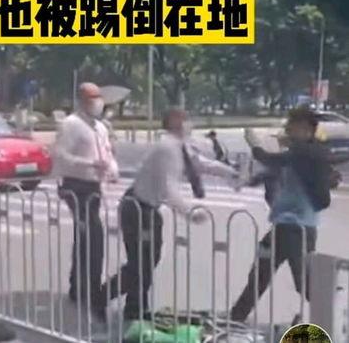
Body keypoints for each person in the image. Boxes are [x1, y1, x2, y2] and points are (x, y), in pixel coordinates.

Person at [100, 107, 240, 321]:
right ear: (175, 122)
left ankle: (135, 307)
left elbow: (201, 164)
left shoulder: (181, 146)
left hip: (147, 207)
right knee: (141, 263)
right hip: (138, 208)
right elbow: (169, 188)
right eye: (186, 120)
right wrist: (189, 213)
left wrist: (230, 173)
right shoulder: (168, 148)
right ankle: (101, 297)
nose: (190, 124)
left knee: (147, 261)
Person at [230, 107, 333, 324]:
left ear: (305, 129)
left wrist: (254, 144)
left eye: (291, 126)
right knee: (261, 273)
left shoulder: (306, 152)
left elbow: (270, 160)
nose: (286, 129)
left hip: (298, 228)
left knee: (305, 283)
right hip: (284, 225)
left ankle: (335, 317)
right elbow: (276, 170)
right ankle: (236, 317)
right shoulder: (301, 153)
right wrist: (251, 180)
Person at [54, 82, 119, 317]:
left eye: (99, 97)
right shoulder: (71, 124)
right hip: (75, 186)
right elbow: (60, 155)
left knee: (86, 238)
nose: (97, 102)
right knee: (93, 236)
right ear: (81, 100)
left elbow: (108, 153)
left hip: (94, 187)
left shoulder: (100, 127)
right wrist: (90, 163)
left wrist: (112, 169)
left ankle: (79, 287)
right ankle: (89, 289)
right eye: (92, 98)